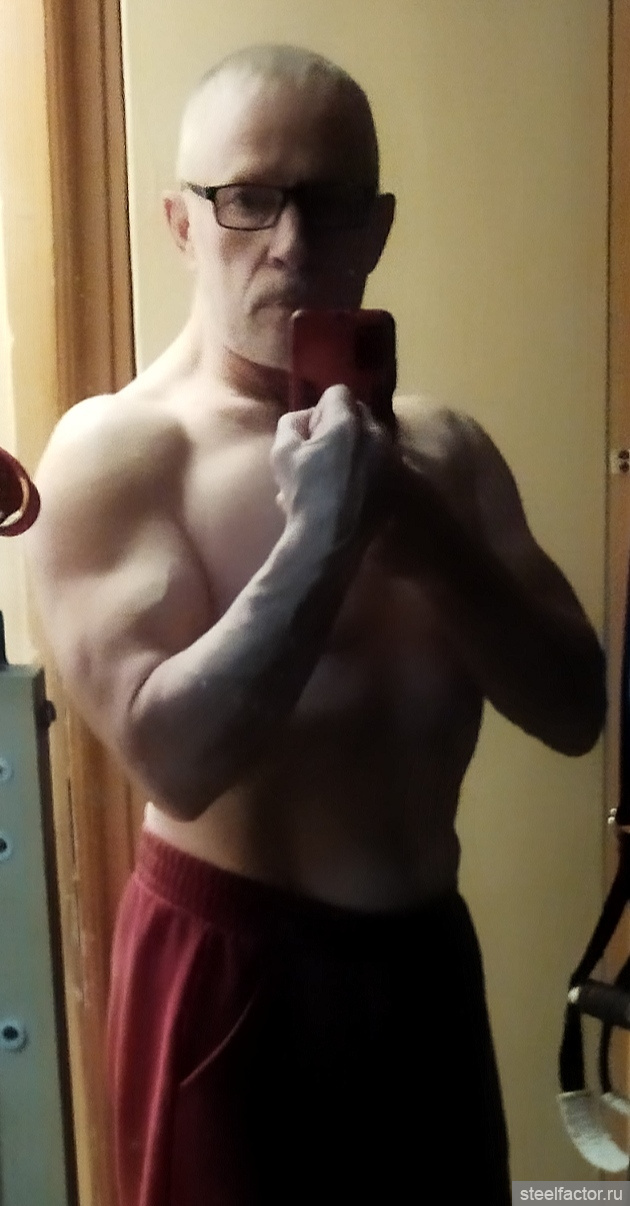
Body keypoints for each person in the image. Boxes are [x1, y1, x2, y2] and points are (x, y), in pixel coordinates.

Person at [27, 44, 605, 1206]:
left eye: (332, 203)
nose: (293, 243)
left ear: (376, 227)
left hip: (424, 968)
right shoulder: (118, 455)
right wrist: (320, 541)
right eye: (248, 200)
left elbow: (576, 707)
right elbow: (176, 759)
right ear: (183, 224)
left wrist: (418, 529)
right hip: (231, 983)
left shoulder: (447, 454)